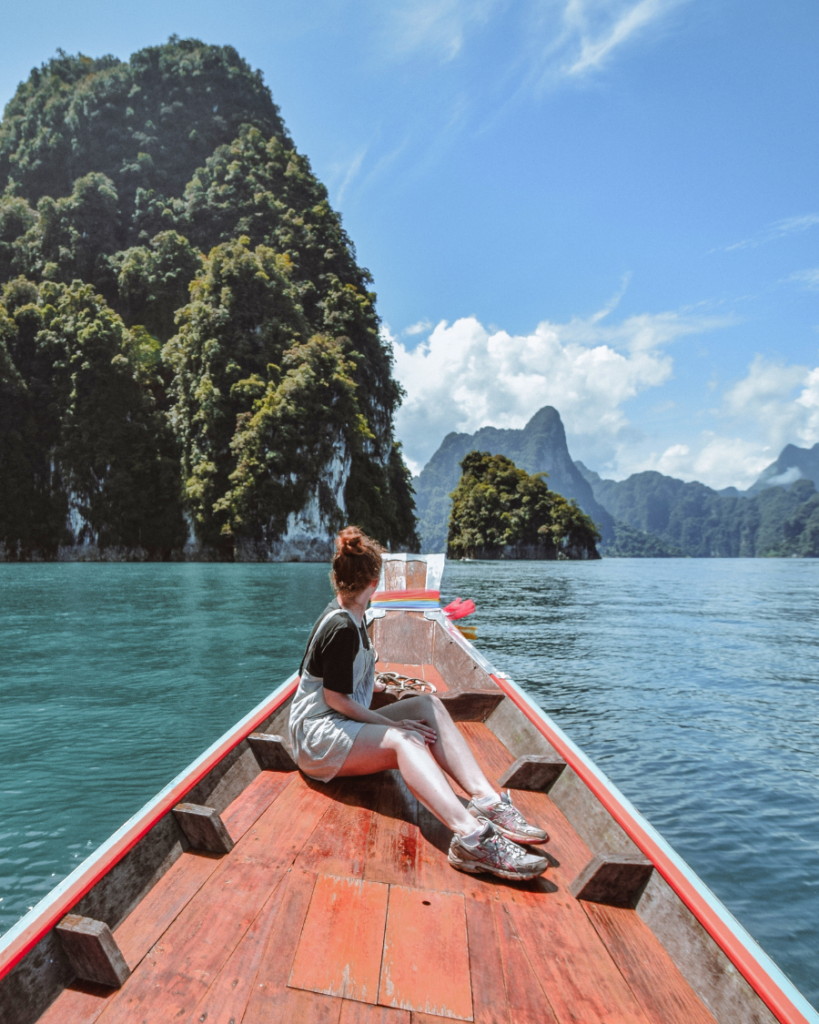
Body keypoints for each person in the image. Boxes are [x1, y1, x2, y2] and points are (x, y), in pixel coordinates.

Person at [288, 525, 550, 881]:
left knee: (427, 705)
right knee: (403, 740)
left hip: (336, 722)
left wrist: (373, 684)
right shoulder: (341, 629)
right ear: (376, 582)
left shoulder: (350, 613)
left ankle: (487, 800)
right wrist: (390, 726)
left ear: (336, 579)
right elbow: (334, 698)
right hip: (317, 739)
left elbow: (332, 679)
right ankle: (471, 838)